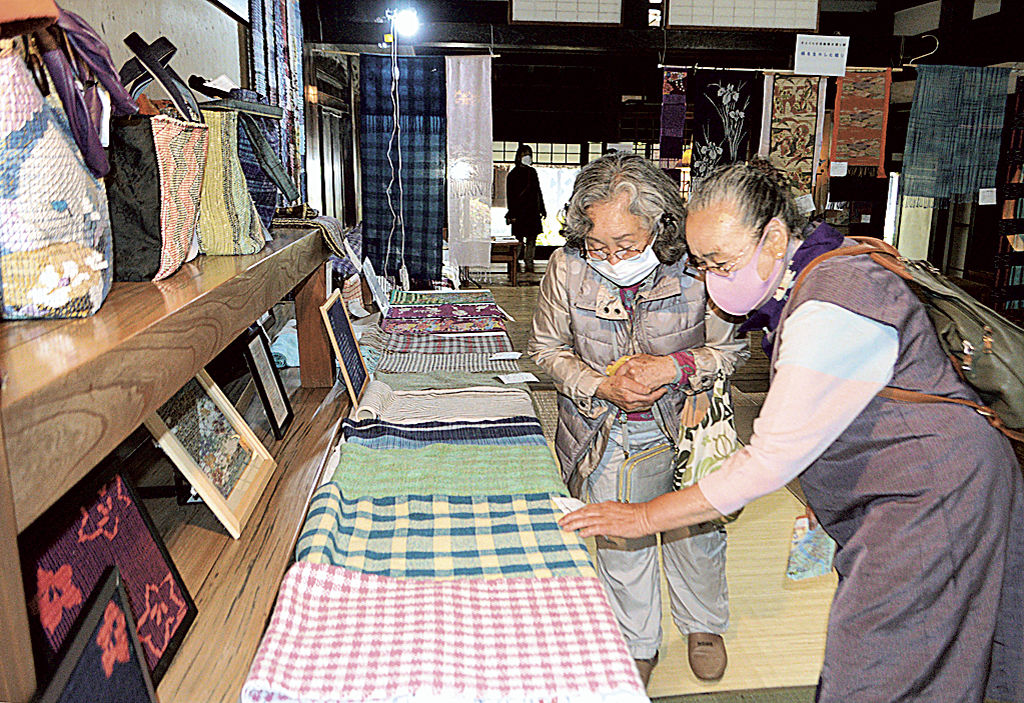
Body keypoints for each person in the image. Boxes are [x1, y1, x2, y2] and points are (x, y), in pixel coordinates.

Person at [559, 161, 1024, 702]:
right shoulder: (818, 274)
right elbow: (838, 406)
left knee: (886, 663)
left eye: (720, 263)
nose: (709, 281)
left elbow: (767, 461)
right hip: (911, 481)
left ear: (775, 237)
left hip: (933, 491)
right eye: (702, 265)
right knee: (928, 648)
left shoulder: (831, 302)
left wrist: (641, 517)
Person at [528, 153, 749, 685]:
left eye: (626, 244)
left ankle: (703, 625)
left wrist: (676, 367)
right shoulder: (568, 266)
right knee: (619, 538)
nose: (611, 257)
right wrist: (600, 384)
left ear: (661, 225)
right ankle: (636, 641)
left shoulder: (698, 267)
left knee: (695, 531)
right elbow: (545, 349)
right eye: (597, 245)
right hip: (601, 427)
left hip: (686, 424)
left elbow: (730, 350)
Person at [505, 143, 546, 275]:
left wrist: (542, 208)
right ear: (518, 156)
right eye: (525, 154)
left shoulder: (532, 172)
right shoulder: (513, 174)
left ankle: (529, 262)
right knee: (518, 240)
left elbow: (538, 192)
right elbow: (510, 196)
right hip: (519, 211)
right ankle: (514, 262)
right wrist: (512, 213)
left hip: (532, 211)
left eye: (529, 154)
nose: (527, 157)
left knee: (532, 239)